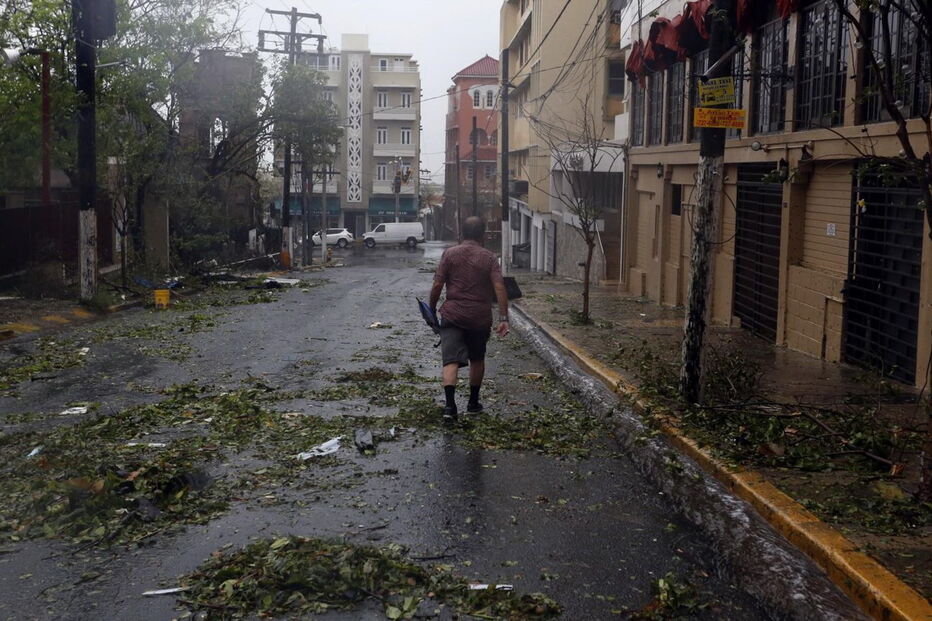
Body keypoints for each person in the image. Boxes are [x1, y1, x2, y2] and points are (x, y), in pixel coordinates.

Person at [429, 216, 509, 421]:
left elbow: (437, 285)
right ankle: (473, 403)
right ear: (482, 235)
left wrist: (431, 308)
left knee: (450, 360)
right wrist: (503, 318)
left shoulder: (449, 254)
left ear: (461, 234)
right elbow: (500, 287)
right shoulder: (490, 258)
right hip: (479, 317)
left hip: (452, 314)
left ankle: (449, 407)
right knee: (477, 358)